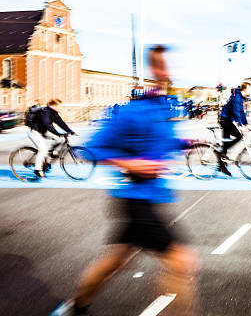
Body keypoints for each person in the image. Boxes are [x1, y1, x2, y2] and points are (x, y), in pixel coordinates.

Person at [50, 45, 200, 316]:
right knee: (183, 263)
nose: (173, 71)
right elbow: (92, 147)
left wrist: (184, 143)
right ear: (157, 69)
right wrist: (130, 163)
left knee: (113, 261)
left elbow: (159, 141)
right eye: (168, 65)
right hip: (137, 200)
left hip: (150, 199)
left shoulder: (163, 107)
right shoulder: (133, 111)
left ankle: (75, 306)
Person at [28, 99, 76, 179]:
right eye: (59, 106)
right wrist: (58, 133)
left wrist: (70, 131)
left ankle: (53, 153)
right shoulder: (45, 112)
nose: (61, 108)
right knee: (43, 150)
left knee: (60, 139)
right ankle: (37, 170)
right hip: (35, 132)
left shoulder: (54, 113)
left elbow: (61, 123)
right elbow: (48, 125)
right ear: (54, 106)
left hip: (43, 132)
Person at [216, 82, 249, 175]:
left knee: (226, 141)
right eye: (250, 89)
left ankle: (221, 166)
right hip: (225, 119)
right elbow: (236, 111)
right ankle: (221, 154)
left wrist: (246, 124)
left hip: (227, 119)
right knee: (238, 136)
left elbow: (242, 112)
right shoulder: (237, 96)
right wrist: (240, 125)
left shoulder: (240, 97)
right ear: (245, 89)